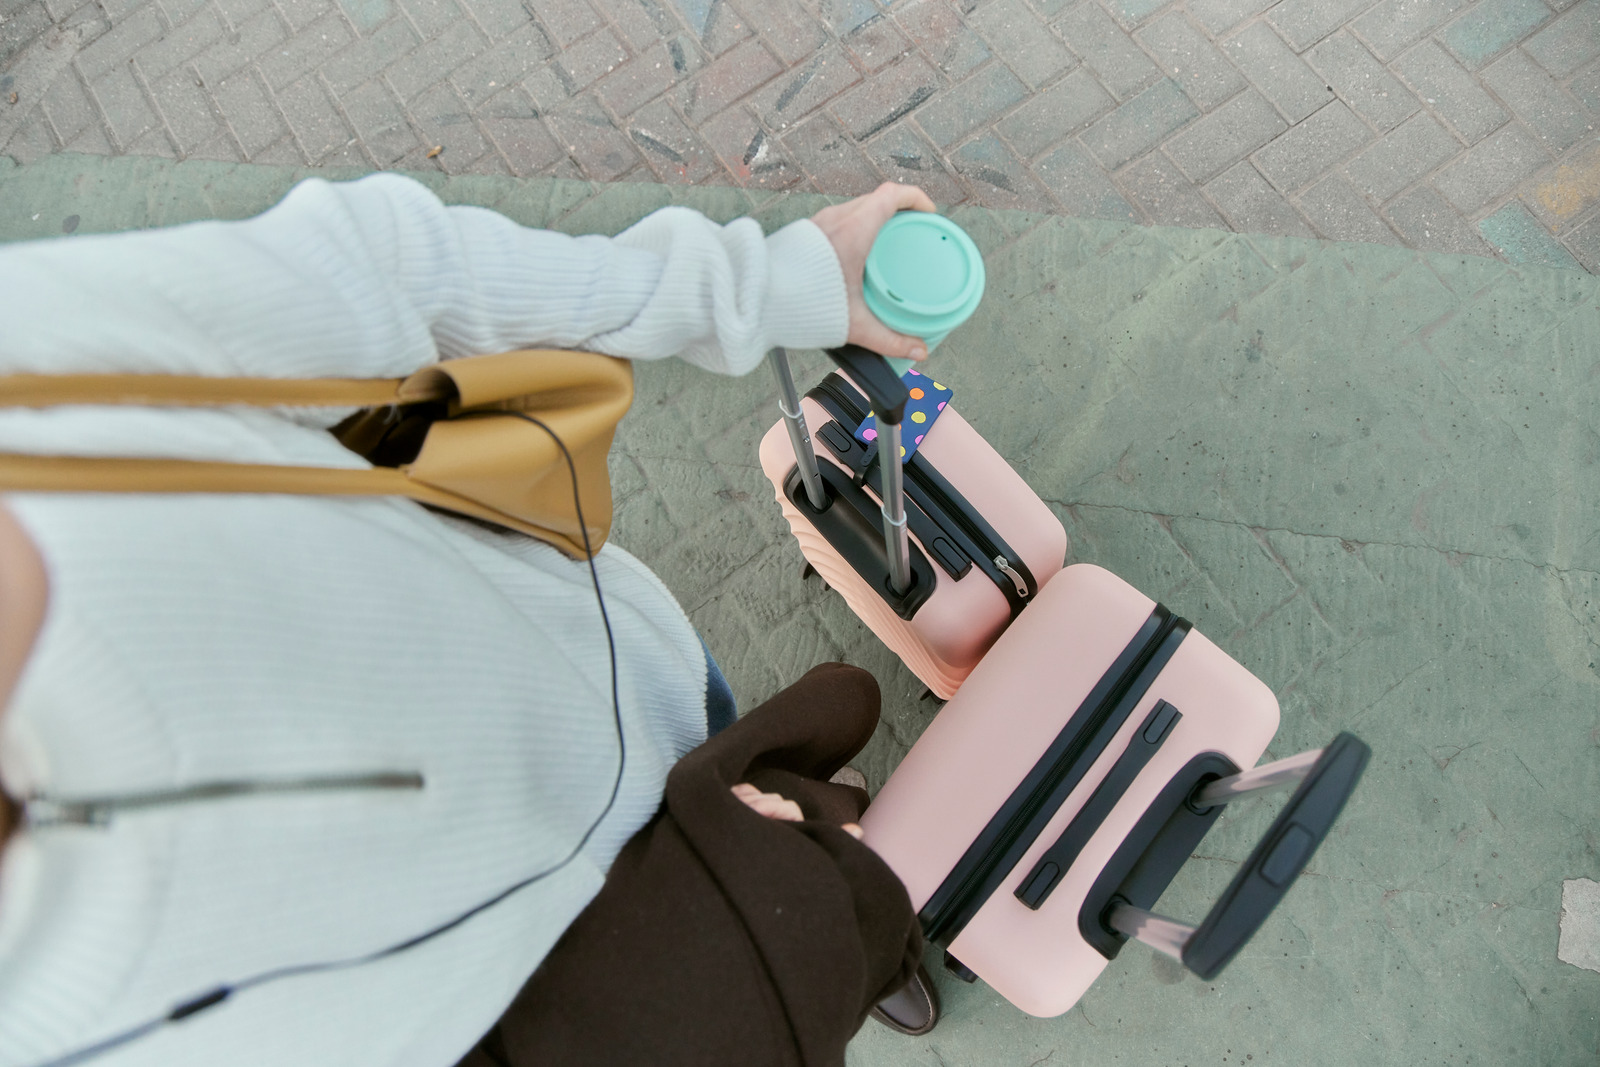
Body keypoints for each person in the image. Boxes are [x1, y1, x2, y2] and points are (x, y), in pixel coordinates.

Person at [0, 176, 940, 1066]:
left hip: (616, 662)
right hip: (640, 982)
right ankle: (851, 947)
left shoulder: (24, 390)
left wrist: (771, 281)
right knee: (822, 918)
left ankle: (859, 915)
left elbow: (381, 272)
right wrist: (757, 960)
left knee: (762, 769)